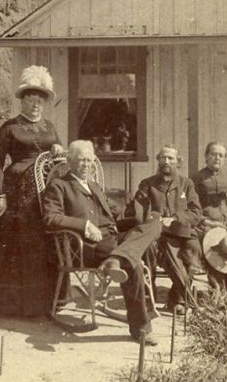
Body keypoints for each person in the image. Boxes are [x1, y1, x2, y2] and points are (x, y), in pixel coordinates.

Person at [42, 140, 161, 345]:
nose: (87, 165)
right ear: (69, 161)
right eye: (81, 160)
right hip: (86, 246)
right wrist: (84, 225)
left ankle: (116, 259)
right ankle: (141, 328)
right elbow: (51, 218)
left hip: (112, 240)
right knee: (131, 262)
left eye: (90, 160)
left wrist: (141, 214)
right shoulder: (59, 185)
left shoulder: (95, 186)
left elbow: (116, 215)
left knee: (154, 225)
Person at [0, 66, 63, 316]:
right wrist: (0, 194)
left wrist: (57, 150)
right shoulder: (9, 128)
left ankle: (44, 303)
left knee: (43, 242)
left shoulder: (50, 127)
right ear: (22, 101)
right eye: (31, 99)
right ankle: (12, 305)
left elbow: (59, 153)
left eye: (40, 100)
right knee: (18, 242)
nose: (35, 104)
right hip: (17, 193)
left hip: (45, 191)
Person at [126, 144, 203, 314]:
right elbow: (137, 211)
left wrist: (176, 218)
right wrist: (155, 219)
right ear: (158, 160)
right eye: (163, 157)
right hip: (157, 234)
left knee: (193, 250)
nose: (166, 161)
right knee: (150, 250)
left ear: (178, 162)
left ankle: (177, 298)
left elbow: (196, 213)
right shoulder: (147, 184)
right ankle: (148, 295)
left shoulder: (186, 184)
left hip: (182, 233)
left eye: (171, 158)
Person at [191, 141, 227, 235]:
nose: (217, 158)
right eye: (213, 154)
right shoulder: (196, 178)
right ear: (206, 156)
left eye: (221, 155)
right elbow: (192, 209)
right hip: (207, 226)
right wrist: (209, 223)